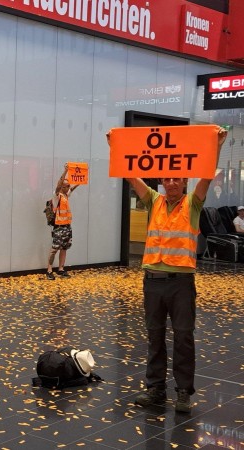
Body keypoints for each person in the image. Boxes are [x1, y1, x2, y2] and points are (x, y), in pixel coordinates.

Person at [119, 128, 227, 414]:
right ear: (162, 181)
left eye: (176, 178)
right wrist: (115, 146)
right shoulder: (153, 200)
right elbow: (131, 175)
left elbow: (206, 175)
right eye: (167, 178)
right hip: (152, 281)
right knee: (154, 337)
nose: (171, 182)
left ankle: (182, 392)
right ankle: (155, 389)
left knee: (183, 337)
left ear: (184, 181)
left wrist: (216, 145)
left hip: (181, 283)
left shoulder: (192, 203)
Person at [45, 164, 78, 280]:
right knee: (54, 249)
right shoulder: (57, 196)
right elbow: (59, 185)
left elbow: (72, 189)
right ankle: (49, 270)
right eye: (66, 186)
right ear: (62, 187)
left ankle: (61, 269)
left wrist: (80, 181)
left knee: (64, 248)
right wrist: (65, 171)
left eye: (68, 186)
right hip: (59, 227)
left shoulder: (65, 195)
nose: (69, 187)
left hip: (67, 227)